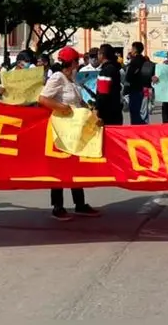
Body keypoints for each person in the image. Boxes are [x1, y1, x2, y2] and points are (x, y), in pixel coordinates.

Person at [38, 46, 100, 220]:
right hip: (61, 128)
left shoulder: (72, 79)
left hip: (75, 128)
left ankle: (79, 204)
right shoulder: (57, 77)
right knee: (59, 167)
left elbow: (79, 101)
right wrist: (62, 108)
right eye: (77, 60)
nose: (79, 63)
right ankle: (57, 207)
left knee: (74, 166)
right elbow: (43, 99)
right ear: (72, 62)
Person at [123, 42, 154, 125]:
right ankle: (144, 129)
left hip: (135, 89)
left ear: (135, 50)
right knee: (144, 112)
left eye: (132, 49)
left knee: (135, 112)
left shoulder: (134, 62)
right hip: (146, 89)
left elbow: (129, 77)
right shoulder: (146, 60)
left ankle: (136, 131)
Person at [93, 44, 123, 127]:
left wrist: (97, 108)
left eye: (98, 54)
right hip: (116, 109)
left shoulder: (106, 71)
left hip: (107, 113)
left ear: (102, 55)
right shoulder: (115, 68)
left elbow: (103, 93)